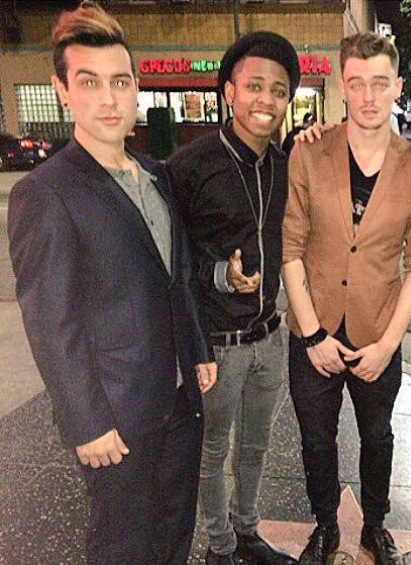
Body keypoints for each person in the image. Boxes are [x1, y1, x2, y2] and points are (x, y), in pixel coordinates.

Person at [6, 2, 217, 564]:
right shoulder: (45, 194)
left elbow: (177, 273)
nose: (108, 98)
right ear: (62, 91)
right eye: (89, 82)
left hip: (179, 400)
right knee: (122, 545)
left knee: (175, 530)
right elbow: (51, 323)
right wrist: (87, 422)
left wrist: (197, 347)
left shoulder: (155, 174)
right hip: (117, 414)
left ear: (135, 88)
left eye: (119, 81)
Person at [281, 32, 411, 565]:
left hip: (377, 332)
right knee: (315, 439)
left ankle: (375, 524)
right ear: (342, 86)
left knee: (378, 436)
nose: (368, 96)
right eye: (356, 84)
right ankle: (325, 523)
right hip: (314, 327)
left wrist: (389, 345)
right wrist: (311, 336)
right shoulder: (308, 152)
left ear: (397, 86)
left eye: (379, 83)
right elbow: (290, 249)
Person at [166, 32, 300, 565]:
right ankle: (219, 546)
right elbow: (171, 259)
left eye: (279, 91)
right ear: (229, 92)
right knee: (213, 450)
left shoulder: (285, 166)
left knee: (255, 448)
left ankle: (246, 532)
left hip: (269, 337)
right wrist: (222, 274)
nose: (266, 100)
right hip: (217, 345)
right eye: (254, 86)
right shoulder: (190, 166)